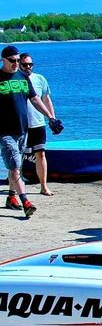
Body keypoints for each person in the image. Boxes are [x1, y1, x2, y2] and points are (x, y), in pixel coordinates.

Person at [1, 46, 58, 218]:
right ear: (3, 60)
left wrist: (50, 117)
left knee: (14, 167)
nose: (16, 64)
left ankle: (11, 198)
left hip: (22, 130)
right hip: (4, 132)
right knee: (16, 166)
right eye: (13, 61)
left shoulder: (23, 77)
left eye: (18, 60)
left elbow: (35, 99)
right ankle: (25, 201)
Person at [19, 53, 55, 196]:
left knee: (41, 154)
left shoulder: (40, 79)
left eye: (30, 64)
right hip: (21, 124)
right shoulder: (16, 80)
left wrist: (52, 118)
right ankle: (15, 187)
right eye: (25, 64)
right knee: (18, 156)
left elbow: (46, 100)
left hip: (38, 123)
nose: (28, 67)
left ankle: (43, 187)